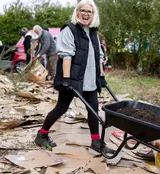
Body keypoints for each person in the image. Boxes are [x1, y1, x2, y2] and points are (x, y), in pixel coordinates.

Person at [34, 0, 114, 154]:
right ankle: (42, 134)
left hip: (90, 79)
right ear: (77, 12)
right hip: (72, 79)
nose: (86, 14)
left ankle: (96, 141)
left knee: (93, 110)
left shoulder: (93, 33)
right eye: (82, 10)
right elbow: (66, 56)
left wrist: (101, 75)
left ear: (93, 15)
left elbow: (98, 56)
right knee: (61, 108)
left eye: (89, 11)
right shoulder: (69, 30)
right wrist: (66, 79)